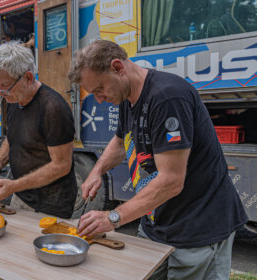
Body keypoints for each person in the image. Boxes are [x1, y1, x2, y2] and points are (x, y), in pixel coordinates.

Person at [68, 40, 248, 279]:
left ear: (118, 67)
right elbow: (121, 141)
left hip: (197, 228)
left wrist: (113, 217)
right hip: (157, 223)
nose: (99, 99)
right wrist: (96, 171)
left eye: (99, 89)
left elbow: (171, 180)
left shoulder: (167, 98)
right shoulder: (126, 96)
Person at [0, 42, 77, 219]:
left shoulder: (52, 108)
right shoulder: (14, 99)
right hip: (21, 194)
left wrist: (14, 186)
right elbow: (13, 136)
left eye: (6, 86)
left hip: (51, 204)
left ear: (28, 77)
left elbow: (62, 166)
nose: (1, 92)